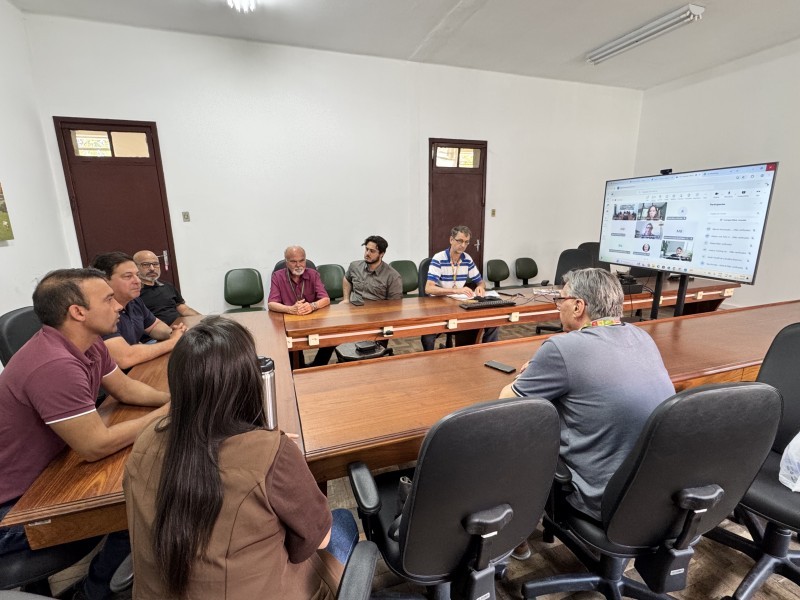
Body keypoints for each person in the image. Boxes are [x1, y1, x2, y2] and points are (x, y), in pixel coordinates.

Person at [123, 316, 358, 599]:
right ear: (248, 380)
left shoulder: (147, 438)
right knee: (341, 521)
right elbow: (319, 541)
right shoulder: (272, 454)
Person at [0, 268, 170, 600]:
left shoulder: (89, 344)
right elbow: (95, 445)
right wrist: (168, 414)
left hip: (48, 475)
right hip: (11, 508)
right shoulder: (53, 364)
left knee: (140, 480)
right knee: (137, 503)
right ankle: (94, 593)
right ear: (78, 312)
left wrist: (173, 400)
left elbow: (126, 389)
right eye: (107, 299)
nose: (118, 305)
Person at [500, 268, 673, 558]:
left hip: (599, 498)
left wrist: (531, 374)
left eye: (561, 299)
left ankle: (512, 534)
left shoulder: (563, 347)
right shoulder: (642, 337)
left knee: (514, 435)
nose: (558, 307)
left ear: (579, 306)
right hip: (656, 495)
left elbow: (507, 402)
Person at [91, 252, 186, 369]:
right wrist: (172, 342)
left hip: (136, 367)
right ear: (104, 281)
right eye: (128, 276)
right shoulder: (98, 311)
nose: (138, 281)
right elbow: (124, 358)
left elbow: (154, 326)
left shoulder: (134, 301)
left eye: (137, 275)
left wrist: (174, 333)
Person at [422, 225, 499, 351]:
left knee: (493, 321)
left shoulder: (467, 259)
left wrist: (480, 287)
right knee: (428, 335)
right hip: (438, 305)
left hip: (459, 304)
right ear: (451, 240)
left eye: (466, 242)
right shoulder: (439, 258)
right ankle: (430, 361)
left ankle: (487, 353)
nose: (463, 245)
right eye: (460, 241)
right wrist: (456, 290)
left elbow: (481, 282)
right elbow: (429, 288)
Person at [267, 246, 334, 367]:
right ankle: (299, 369)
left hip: (311, 319)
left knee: (332, 338)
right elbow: (271, 303)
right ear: (286, 262)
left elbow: (326, 299)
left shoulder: (313, 274)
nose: (298, 265)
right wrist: (290, 309)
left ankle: (317, 365)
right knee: (293, 348)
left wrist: (312, 306)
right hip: (289, 321)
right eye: (293, 261)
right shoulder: (278, 276)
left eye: (302, 260)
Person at [133, 250, 200, 326]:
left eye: (155, 264)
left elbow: (184, 309)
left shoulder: (167, 286)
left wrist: (203, 319)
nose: (152, 268)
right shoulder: (134, 291)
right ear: (135, 267)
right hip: (156, 333)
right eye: (145, 265)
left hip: (180, 327)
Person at [342, 235, 403, 304]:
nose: (367, 253)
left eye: (372, 251)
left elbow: (395, 303)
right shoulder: (355, 266)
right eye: (366, 249)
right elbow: (347, 279)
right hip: (354, 307)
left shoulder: (393, 276)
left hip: (377, 311)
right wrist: (346, 299)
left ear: (381, 254)